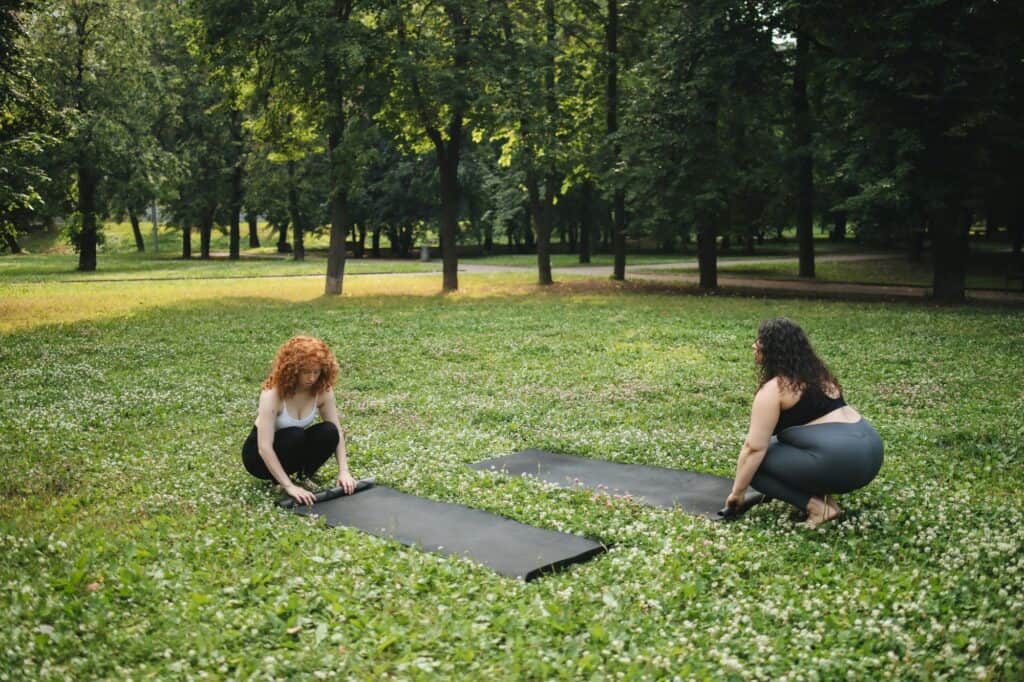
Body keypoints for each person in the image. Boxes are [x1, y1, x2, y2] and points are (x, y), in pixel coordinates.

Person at [725, 317, 883, 528]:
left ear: (774, 350)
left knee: (754, 465)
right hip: (872, 455)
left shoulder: (775, 389)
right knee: (774, 449)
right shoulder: (821, 376)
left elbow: (753, 448)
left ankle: (820, 509)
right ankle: (821, 494)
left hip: (843, 462)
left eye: (760, 341)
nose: (754, 345)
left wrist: (737, 493)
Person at [242, 335, 357, 506]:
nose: (311, 378)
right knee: (295, 434)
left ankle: (304, 476)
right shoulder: (273, 394)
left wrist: (344, 471)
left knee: (329, 431)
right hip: (259, 458)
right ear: (293, 370)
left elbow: (337, 431)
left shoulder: (322, 390)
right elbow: (264, 448)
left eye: (316, 372)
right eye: (306, 372)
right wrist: (289, 486)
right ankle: (280, 481)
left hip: (293, 447)